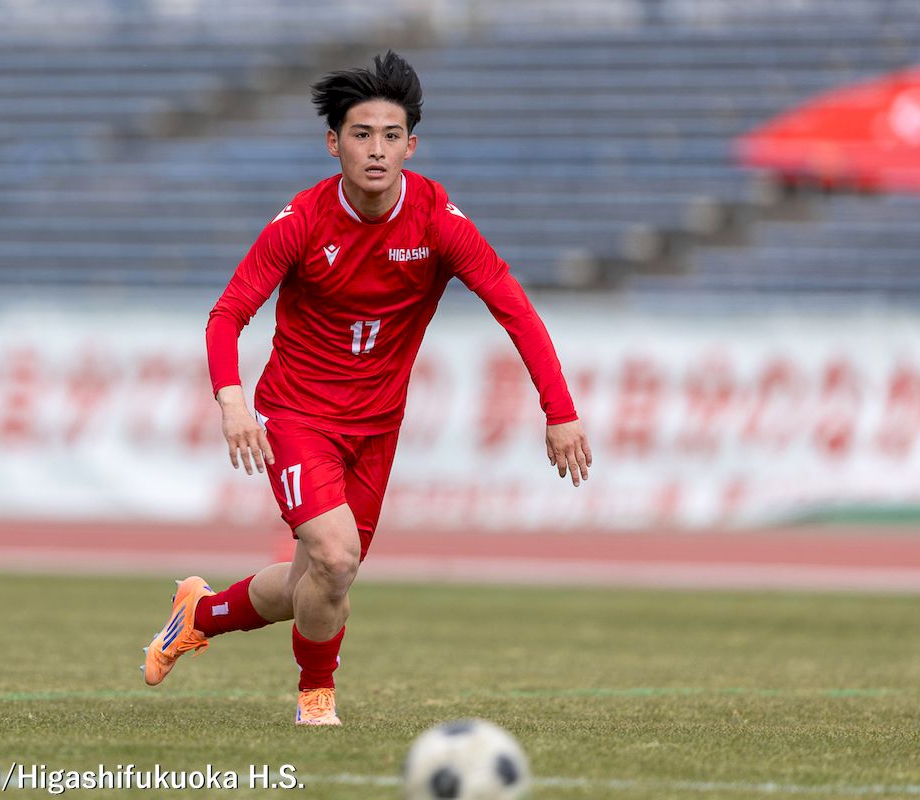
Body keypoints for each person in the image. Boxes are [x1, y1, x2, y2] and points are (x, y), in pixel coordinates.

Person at [142, 51, 591, 726]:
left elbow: (516, 310)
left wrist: (560, 411)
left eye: (390, 135)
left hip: (377, 428)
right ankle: (316, 700)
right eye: (361, 134)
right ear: (334, 143)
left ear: (411, 145)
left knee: (318, 580)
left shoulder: (439, 221)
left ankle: (198, 615)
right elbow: (227, 315)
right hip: (296, 415)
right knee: (335, 554)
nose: (376, 149)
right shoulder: (303, 221)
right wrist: (232, 403)